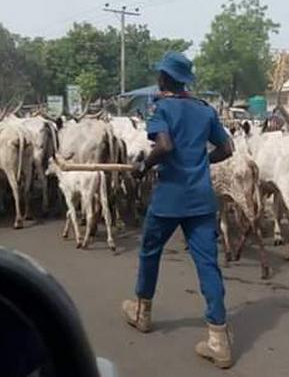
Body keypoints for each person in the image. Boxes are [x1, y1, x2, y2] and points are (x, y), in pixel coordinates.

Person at [121, 52, 235, 369]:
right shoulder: (204, 110)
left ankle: (142, 312)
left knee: (149, 251)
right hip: (200, 198)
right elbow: (227, 149)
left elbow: (165, 146)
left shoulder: (161, 108)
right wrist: (200, 163)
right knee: (207, 263)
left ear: (163, 78)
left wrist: (144, 165)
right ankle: (219, 341)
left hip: (170, 197)